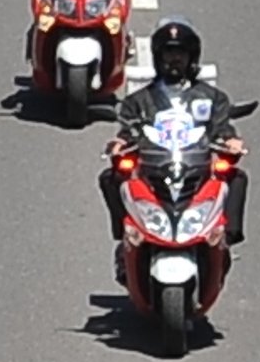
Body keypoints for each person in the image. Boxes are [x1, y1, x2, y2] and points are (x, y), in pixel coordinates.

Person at [99, 19, 248, 282]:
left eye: (180, 54)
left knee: (236, 177)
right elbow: (128, 131)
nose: (174, 60)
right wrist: (121, 144)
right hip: (153, 168)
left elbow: (222, 129)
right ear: (158, 57)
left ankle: (225, 237)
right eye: (169, 54)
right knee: (110, 177)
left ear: (192, 57)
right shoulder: (139, 100)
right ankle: (126, 241)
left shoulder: (213, 97)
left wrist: (231, 142)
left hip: (196, 167)